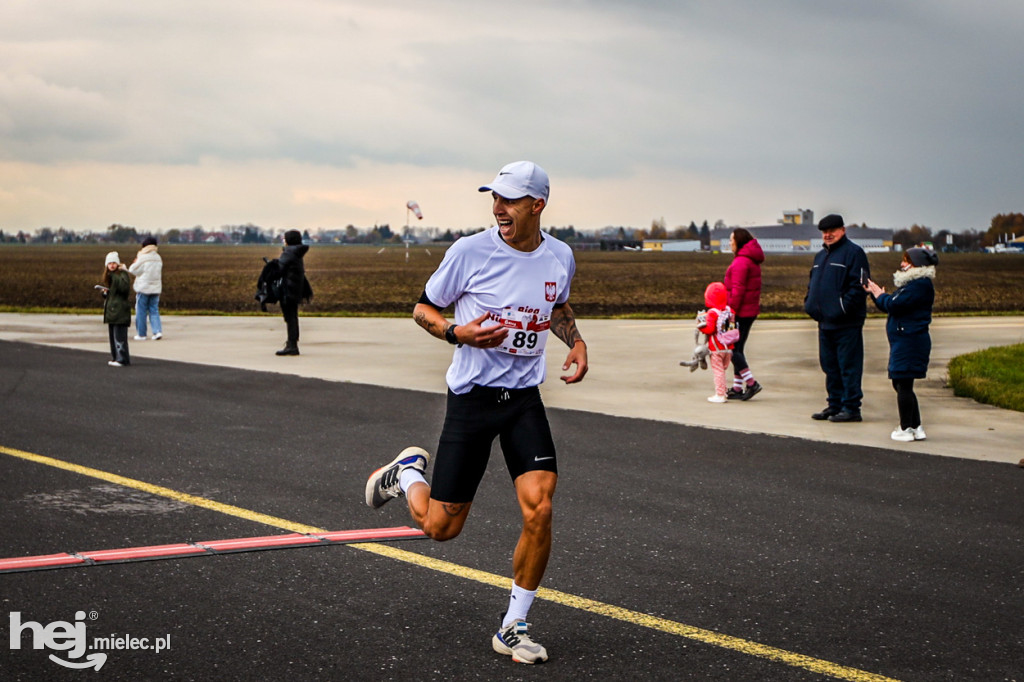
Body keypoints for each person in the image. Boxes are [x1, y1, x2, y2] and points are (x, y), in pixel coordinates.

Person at [364, 161, 588, 665]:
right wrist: (454, 333)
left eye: (509, 199)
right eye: (495, 198)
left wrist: (576, 342)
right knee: (441, 529)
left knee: (542, 506)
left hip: (524, 400)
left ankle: (514, 626)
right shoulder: (470, 252)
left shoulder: (561, 256)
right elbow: (423, 309)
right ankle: (407, 475)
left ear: (538, 205)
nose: (498, 208)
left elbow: (557, 307)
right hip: (473, 398)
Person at [864, 247, 938, 441]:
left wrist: (880, 294)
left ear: (916, 265)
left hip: (910, 342)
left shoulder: (919, 285)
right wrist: (876, 293)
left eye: (906, 261)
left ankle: (905, 429)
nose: (902, 264)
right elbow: (889, 304)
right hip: (906, 341)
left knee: (902, 383)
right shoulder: (913, 284)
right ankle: (916, 426)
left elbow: (893, 304)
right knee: (902, 382)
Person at [804, 214, 870, 422]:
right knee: (829, 366)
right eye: (824, 232)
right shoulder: (820, 257)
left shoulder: (854, 253)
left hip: (846, 323)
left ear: (842, 230)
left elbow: (859, 287)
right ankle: (834, 405)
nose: (828, 235)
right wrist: (810, 303)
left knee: (848, 366)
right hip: (825, 323)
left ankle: (851, 408)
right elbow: (812, 283)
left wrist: (841, 309)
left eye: (832, 231)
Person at [723, 228, 764, 400]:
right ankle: (737, 388)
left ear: (738, 242)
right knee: (738, 348)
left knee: (731, 349)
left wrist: (731, 310)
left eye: (731, 240)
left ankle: (751, 383)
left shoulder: (741, 262)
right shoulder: (750, 260)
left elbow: (738, 290)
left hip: (740, 312)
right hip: (749, 311)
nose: (730, 243)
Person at [698, 282, 736, 403]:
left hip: (716, 348)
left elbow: (709, 329)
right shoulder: (730, 311)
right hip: (729, 347)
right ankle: (723, 391)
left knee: (718, 371)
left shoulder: (712, 313)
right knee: (722, 371)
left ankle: (720, 394)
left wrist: (700, 325)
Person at [276, 229, 309, 356]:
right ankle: (292, 343)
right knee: (293, 317)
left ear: (288, 240)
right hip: (295, 288)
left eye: (285, 239)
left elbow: (280, 268)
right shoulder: (297, 252)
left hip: (288, 289)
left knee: (289, 317)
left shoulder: (289, 252)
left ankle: (292, 345)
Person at [129, 236, 163, 341]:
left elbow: (132, 270)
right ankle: (157, 332)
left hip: (143, 288)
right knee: (154, 310)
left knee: (141, 311)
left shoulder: (143, 257)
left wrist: (135, 262)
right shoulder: (158, 257)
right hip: (156, 288)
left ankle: (141, 334)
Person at [101, 251, 132, 367]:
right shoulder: (109, 277)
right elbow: (113, 294)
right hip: (112, 311)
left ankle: (122, 359)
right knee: (113, 337)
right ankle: (115, 357)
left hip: (120, 311)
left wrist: (115, 275)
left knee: (120, 337)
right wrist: (105, 293)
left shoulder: (122, 275)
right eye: (109, 263)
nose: (112, 265)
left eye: (114, 263)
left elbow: (124, 289)